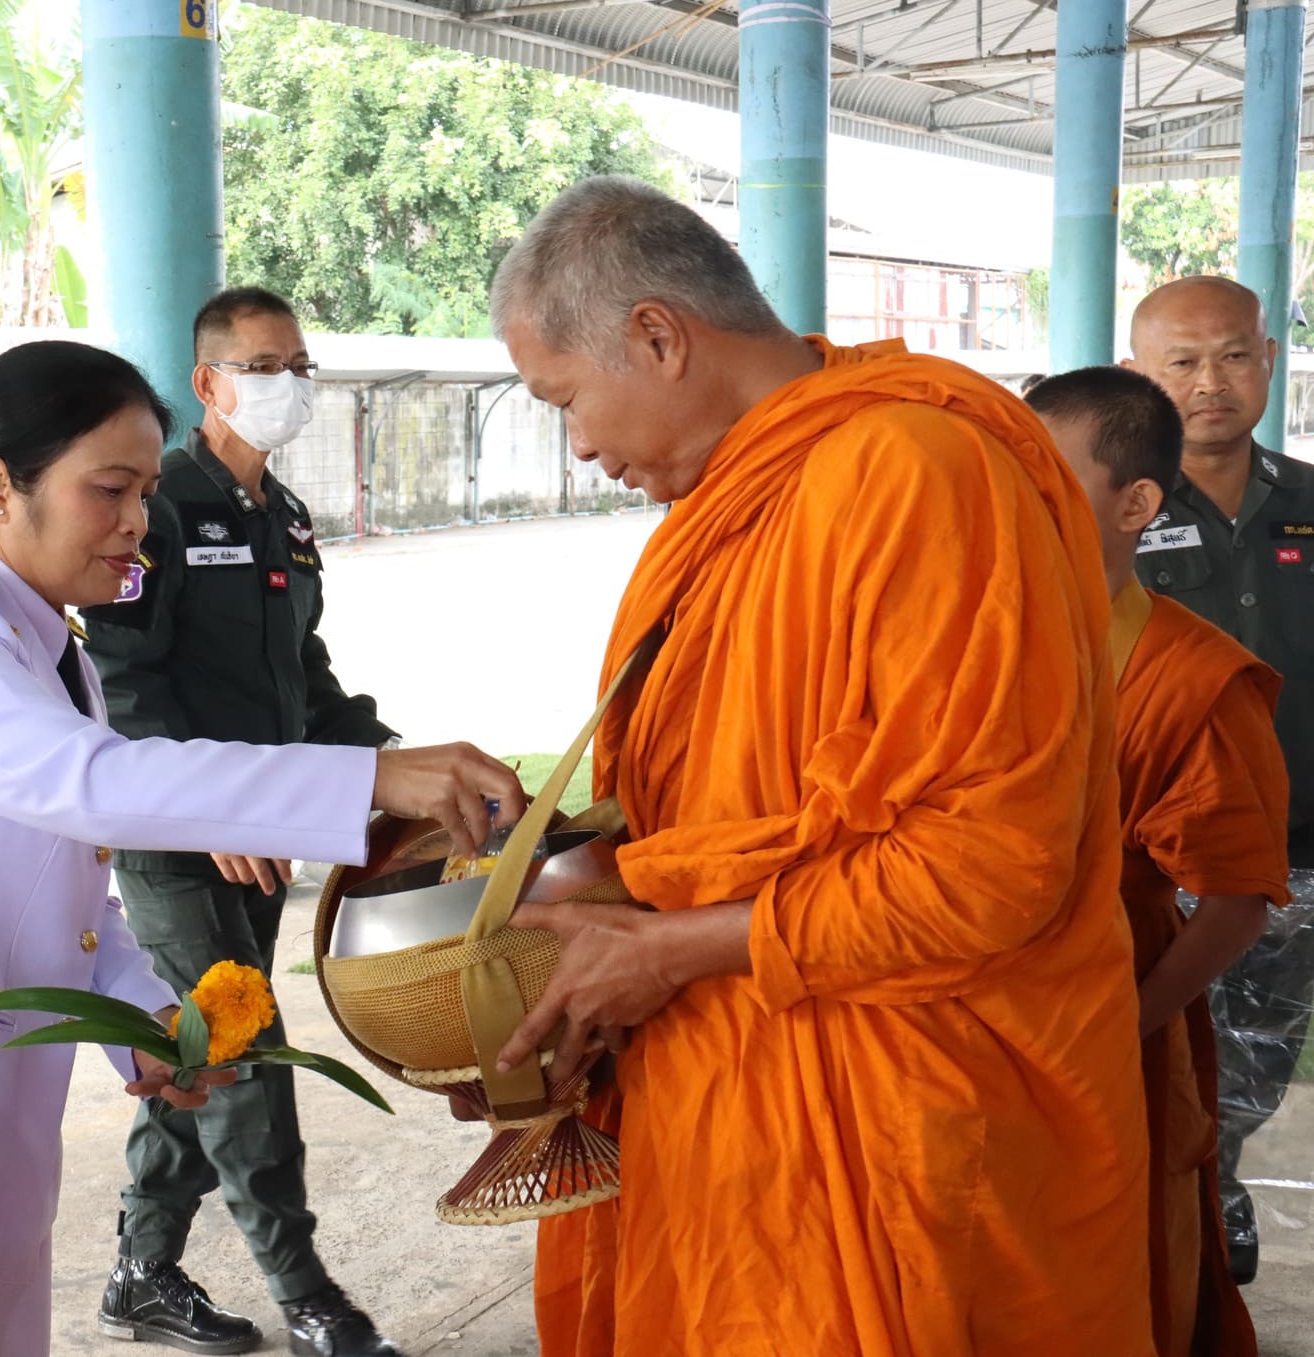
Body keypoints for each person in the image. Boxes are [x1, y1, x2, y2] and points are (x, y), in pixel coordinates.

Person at [0, 340, 523, 1355]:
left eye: (145, 493)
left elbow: (58, 887)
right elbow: (88, 785)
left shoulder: (44, 642)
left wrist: (145, 1015)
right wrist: (367, 778)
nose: (138, 522)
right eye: (108, 490)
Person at [488, 177, 1150, 1354]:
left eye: (566, 399)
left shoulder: (915, 469)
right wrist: (585, 921)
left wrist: (671, 949)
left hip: (898, 1119)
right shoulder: (735, 498)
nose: (578, 444)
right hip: (733, 1095)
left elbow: (993, 865)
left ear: (658, 336)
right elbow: (716, 811)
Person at [80, 288, 402, 1357]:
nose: (287, 385)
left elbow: (303, 679)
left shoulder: (284, 517)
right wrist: (203, 802)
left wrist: (393, 765)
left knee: (198, 1056)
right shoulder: (159, 508)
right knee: (245, 1056)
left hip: (263, 838)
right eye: (263, 367)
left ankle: (141, 1273)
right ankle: (306, 1292)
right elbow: (125, 683)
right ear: (208, 383)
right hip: (177, 842)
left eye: (298, 364)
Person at [1028, 366, 1288, 1356]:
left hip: (1105, 1018)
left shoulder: (1190, 677)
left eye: (1045, 481)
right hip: (969, 1026)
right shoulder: (972, 638)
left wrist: (1125, 1022)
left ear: (1134, 504)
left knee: (1108, 1269)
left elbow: (1234, 900)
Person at [1126, 275, 1314, 1283]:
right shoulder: (1112, 510)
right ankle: (1174, 1227)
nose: (1210, 383)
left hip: (1295, 855)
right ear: (1138, 375)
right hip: (1159, 860)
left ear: (1268, 361)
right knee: (1149, 1052)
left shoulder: (1308, 500)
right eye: (1183, 362)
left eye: (1234, 356)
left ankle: (1213, 1196)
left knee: (1255, 1061)